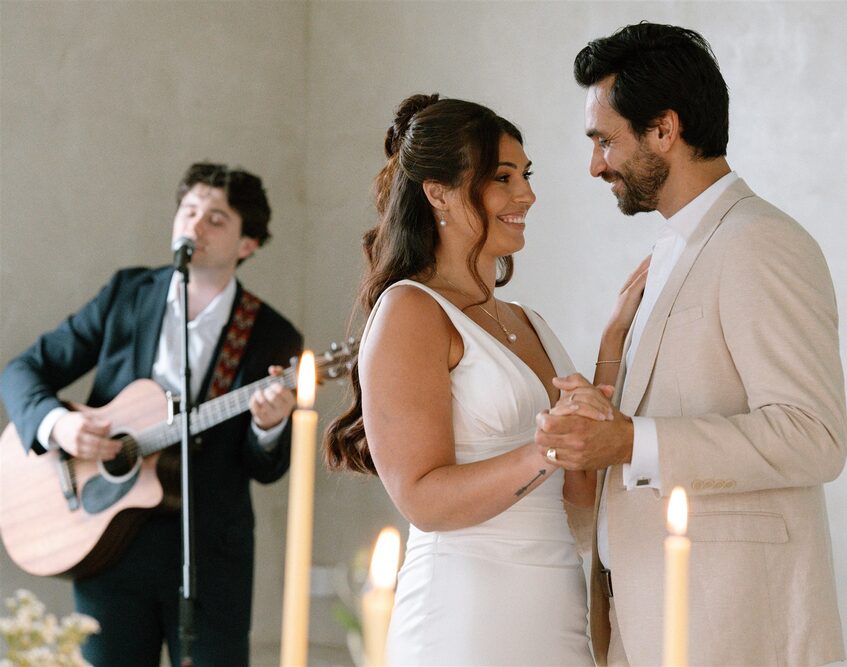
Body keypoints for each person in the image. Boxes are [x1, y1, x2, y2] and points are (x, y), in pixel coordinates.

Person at [535, 23, 847, 666]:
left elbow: (814, 434)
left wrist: (629, 440)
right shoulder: (673, 251)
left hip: (734, 629)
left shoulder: (760, 242)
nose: (595, 164)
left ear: (664, 130)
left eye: (603, 140)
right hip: (648, 623)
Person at [323, 94, 643, 666]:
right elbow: (422, 499)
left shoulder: (530, 322)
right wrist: (544, 449)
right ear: (438, 192)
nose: (527, 195)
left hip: (557, 608)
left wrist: (614, 342)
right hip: (466, 613)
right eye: (502, 177)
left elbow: (580, 491)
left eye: (526, 175)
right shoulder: (411, 311)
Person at [0, 162, 303, 666]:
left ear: (247, 244)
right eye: (188, 210)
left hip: (210, 559)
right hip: (106, 544)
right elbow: (23, 371)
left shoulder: (271, 334)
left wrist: (268, 425)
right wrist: (62, 424)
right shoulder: (127, 294)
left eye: (216, 219)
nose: (194, 226)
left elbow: (267, 467)